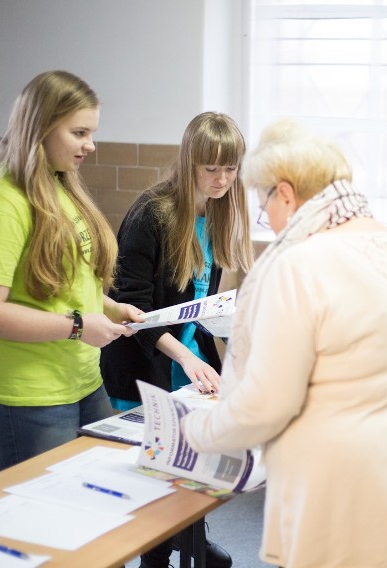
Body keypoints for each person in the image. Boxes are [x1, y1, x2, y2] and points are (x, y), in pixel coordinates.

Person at [182, 118, 387, 568]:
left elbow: (266, 403)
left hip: (348, 478)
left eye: (264, 204)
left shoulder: (300, 264)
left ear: (287, 195)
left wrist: (193, 432)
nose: (269, 221)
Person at [0, 70, 142, 473]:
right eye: (79, 133)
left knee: (95, 499)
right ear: (40, 127)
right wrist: (78, 326)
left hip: (78, 378)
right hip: (24, 389)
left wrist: (110, 308)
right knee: (43, 520)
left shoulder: (60, 187)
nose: (90, 145)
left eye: (91, 133)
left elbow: (62, 284)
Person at [100, 111, 252, 568]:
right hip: (145, 359)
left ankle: (190, 538)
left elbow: (199, 300)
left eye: (231, 168)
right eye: (212, 168)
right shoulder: (153, 215)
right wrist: (187, 358)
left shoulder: (220, 208)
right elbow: (136, 310)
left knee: (192, 459)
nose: (223, 178)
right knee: (158, 468)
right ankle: (158, 555)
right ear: (190, 164)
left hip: (187, 355)